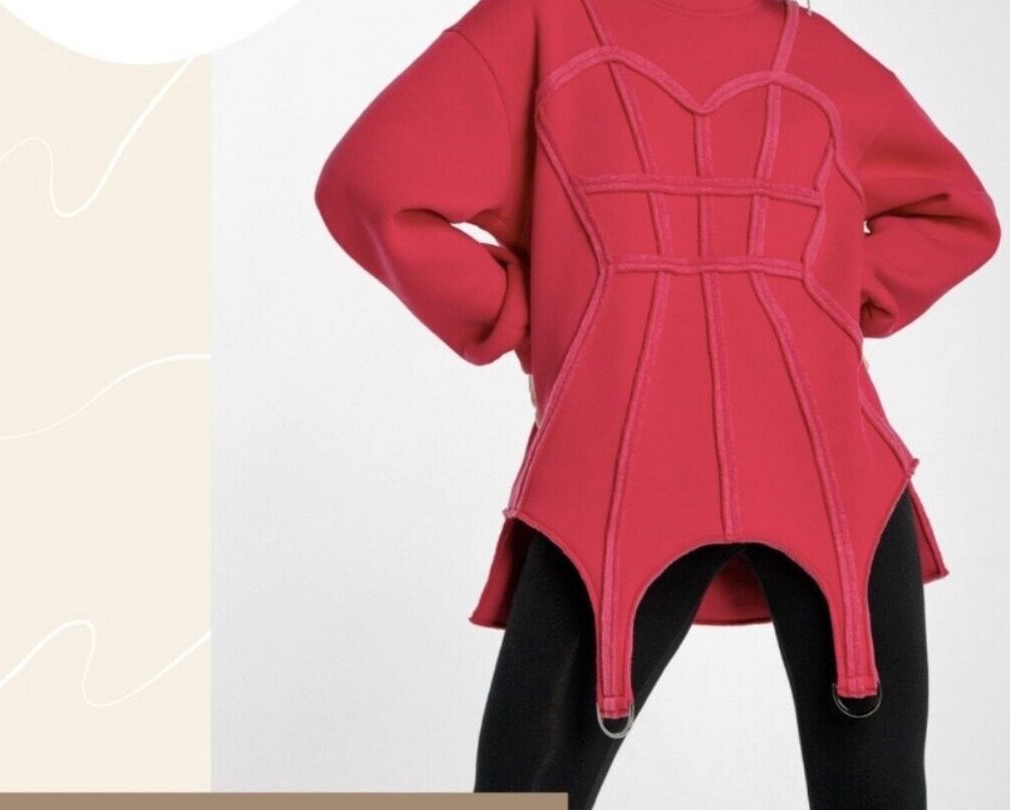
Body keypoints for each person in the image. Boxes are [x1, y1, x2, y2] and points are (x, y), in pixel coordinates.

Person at [314, 0, 1000, 806]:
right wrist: (818, 298)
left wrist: (528, 312)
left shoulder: (538, 25)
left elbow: (368, 185)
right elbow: (960, 218)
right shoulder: (813, 50)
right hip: (828, 469)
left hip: (628, 474)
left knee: (528, 788)